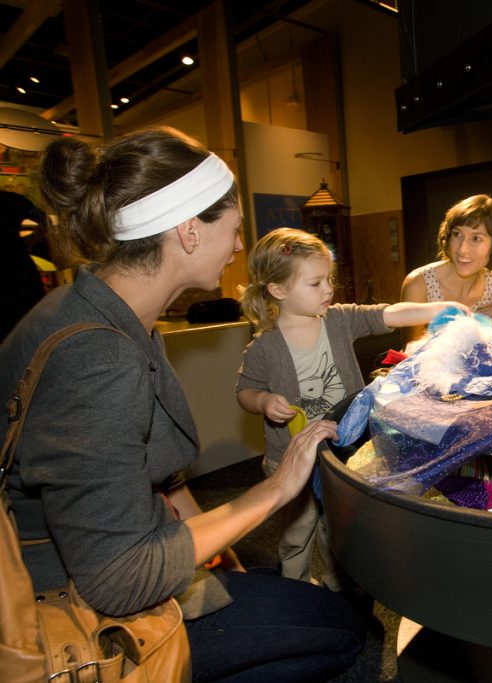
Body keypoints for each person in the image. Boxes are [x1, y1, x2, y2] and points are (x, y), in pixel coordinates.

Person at [0, 126, 364, 682]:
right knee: (345, 631)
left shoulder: (107, 312)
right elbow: (119, 578)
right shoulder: (98, 355)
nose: (240, 247)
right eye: (235, 230)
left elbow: (160, 478)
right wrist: (276, 488)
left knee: (275, 591)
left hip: (127, 547)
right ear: (190, 231)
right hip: (70, 607)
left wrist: (221, 555)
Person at [236, 227, 469, 591]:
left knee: (341, 529)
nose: (328, 289)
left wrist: (436, 308)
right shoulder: (264, 347)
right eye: (315, 283)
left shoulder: (339, 318)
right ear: (278, 290)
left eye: (328, 279)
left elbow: (388, 314)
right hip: (291, 459)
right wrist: (263, 401)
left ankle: (339, 590)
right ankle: (295, 591)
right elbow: (245, 391)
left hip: (342, 452)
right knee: (298, 533)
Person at [400, 194, 492, 342]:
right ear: (447, 236)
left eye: (476, 238)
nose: (463, 249)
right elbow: (410, 353)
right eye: (457, 234)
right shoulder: (418, 284)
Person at [0, 190, 47, 342]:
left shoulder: (10, 200)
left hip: (18, 277)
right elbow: (45, 223)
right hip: (19, 276)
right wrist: (30, 244)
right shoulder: (10, 200)